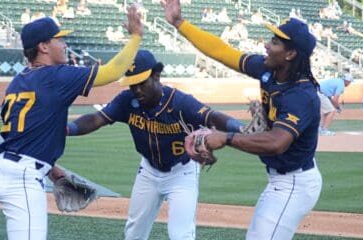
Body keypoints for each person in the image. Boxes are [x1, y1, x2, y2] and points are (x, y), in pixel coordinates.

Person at [161, 1, 323, 239]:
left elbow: (277, 142)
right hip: (281, 180)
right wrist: (179, 23)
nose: (267, 45)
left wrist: (225, 138)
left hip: (294, 183)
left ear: (290, 54)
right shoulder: (269, 70)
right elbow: (222, 52)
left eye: (275, 42)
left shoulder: (300, 95)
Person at [0, 7, 143, 240]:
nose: (64, 45)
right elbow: (112, 72)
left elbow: (20, 137)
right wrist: (135, 37)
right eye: (59, 39)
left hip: (10, 168)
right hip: (22, 176)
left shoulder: (18, 81)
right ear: (43, 47)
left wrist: (51, 170)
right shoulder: (57, 75)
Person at [66, 49, 244, 240]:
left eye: (142, 83)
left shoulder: (180, 101)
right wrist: (66, 129)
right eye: (132, 85)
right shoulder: (127, 100)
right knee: (134, 232)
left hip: (181, 173)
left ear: (156, 76)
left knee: (180, 235)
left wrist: (240, 129)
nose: (137, 90)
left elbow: (212, 116)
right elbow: (96, 119)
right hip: (148, 172)